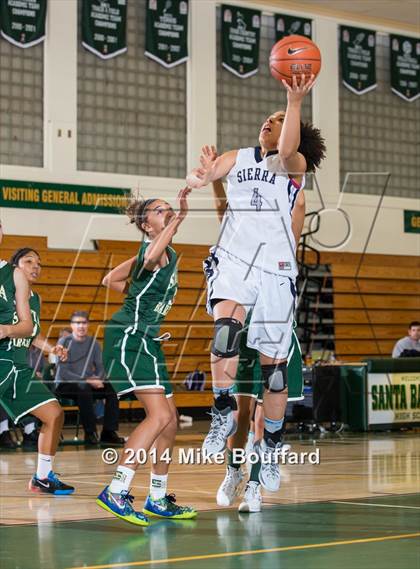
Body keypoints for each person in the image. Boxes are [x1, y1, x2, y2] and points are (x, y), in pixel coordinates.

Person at [187, 74, 325, 493]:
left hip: (276, 271)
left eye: (279, 119)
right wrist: (202, 176)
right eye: (268, 118)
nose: (270, 122)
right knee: (225, 331)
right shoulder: (241, 156)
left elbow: (285, 151)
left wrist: (293, 99)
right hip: (235, 261)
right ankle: (221, 412)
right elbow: (213, 175)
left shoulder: (294, 169)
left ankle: (272, 449)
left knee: (275, 376)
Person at [209, 164, 307, 513]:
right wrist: (219, 183)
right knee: (242, 410)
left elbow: (295, 209)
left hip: (276, 323)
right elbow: (227, 216)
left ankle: (255, 485)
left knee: (265, 411)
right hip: (246, 327)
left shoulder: (289, 212)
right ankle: (234, 471)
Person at [96, 187, 197, 527]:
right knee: (156, 417)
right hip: (128, 337)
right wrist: (180, 215)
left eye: (169, 208)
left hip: (147, 338)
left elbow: (110, 279)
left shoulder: (166, 253)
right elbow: (148, 259)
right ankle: (117, 489)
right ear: (147, 225)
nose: (166, 212)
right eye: (159, 210)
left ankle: (157, 496)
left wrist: (142, 305)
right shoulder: (150, 251)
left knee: (170, 419)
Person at [0, 237, 74, 495]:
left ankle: (42, 477)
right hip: (2, 362)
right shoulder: (5, 285)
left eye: (39, 263)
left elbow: (31, 334)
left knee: (54, 414)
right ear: (15, 266)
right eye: (28, 261)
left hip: (19, 369)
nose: (35, 266)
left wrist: (51, 347)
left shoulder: (35, 299)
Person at [55, 311, 123, 445]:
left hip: (88, 383)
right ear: (72, 325)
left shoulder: (94, 343)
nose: (81, 326)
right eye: (77, 323)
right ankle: (90, 432)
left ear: (88, 325)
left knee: (112, 388)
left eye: (84, 323)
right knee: (83, 388)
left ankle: (108, 432)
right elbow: (63, 372)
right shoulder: (63, 342)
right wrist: (86, 380)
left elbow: (101, 367)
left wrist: (99, 379)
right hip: (65, 384)